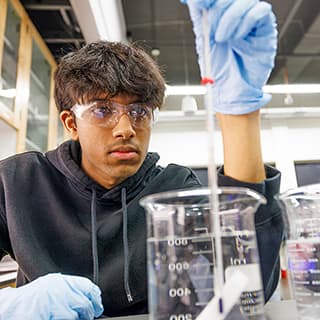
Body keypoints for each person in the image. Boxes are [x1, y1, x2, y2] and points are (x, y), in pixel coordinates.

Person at [0, 0, 283, 318]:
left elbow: (245, 286)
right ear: (70, 123)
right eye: (102, 110)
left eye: (139, 111)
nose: (125, 129)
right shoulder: (17, 182)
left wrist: (240, 113)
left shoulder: (174, 191)